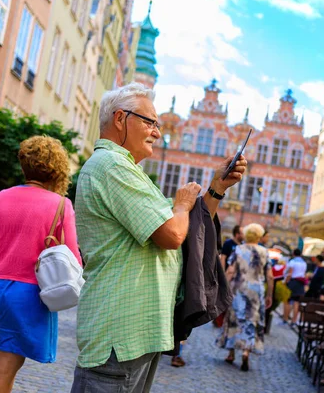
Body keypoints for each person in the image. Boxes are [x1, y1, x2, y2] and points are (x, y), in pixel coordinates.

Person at [71, 83, 246, 393]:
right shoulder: (111, 166)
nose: (156, 132)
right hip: (120, 331)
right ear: (121, 119)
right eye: (149, 122)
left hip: (138, 331)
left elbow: (183, 222)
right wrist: (181, 204)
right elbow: (173, 233)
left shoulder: (130, 171)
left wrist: (216, 189)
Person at [0, 136, 81, 392]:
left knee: (9, 361)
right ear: (57, 169)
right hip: (29, 294)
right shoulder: (61, 205)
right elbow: (73, 258)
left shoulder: (1, 197)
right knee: (4, 366)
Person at [217, 223, 274, 372]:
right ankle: (246, 352)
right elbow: (270, 276)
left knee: (234, 318)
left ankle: (231, 353)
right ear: (259, 236)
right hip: (256, 292)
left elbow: (230, 271)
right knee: (251, 321)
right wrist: (269, 295)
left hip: (239, 289)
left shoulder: (239, 249)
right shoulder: (264, 252)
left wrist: (225, 289)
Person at [283, 248, 307, 326]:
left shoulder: (292, 262)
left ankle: (285, 319)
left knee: (287, 301)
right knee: (296, 303)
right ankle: (294, 321)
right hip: (300, 284)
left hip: (293, 282)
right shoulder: (304, 263)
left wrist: (285, 282)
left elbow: (290, 273)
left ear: (293, 254)